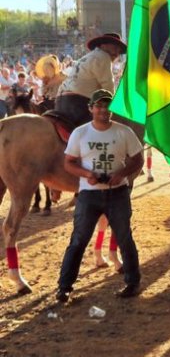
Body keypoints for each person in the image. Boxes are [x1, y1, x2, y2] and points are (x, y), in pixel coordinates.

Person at [55, 89, 144, 302]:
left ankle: (133, 282)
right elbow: (68, 162)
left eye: (107, 105)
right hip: (89, 193)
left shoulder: (124, 132)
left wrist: (120, 173)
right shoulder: (80, 133)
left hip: (118, 192)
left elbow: (137, 159)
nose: (104, 110)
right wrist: (88, 174)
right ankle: (64, 286)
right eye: (99, 106)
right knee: (78, 240)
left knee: (125, 238)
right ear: (91, 108)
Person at [55, 33, 126, 126]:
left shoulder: (86, 57)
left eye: (119, 51)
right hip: (78, 103)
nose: (117, 53)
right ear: (103, 45)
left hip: (60, 102)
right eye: (115, 47)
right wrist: (117, 104)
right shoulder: (104, 56)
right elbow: (108, 87)